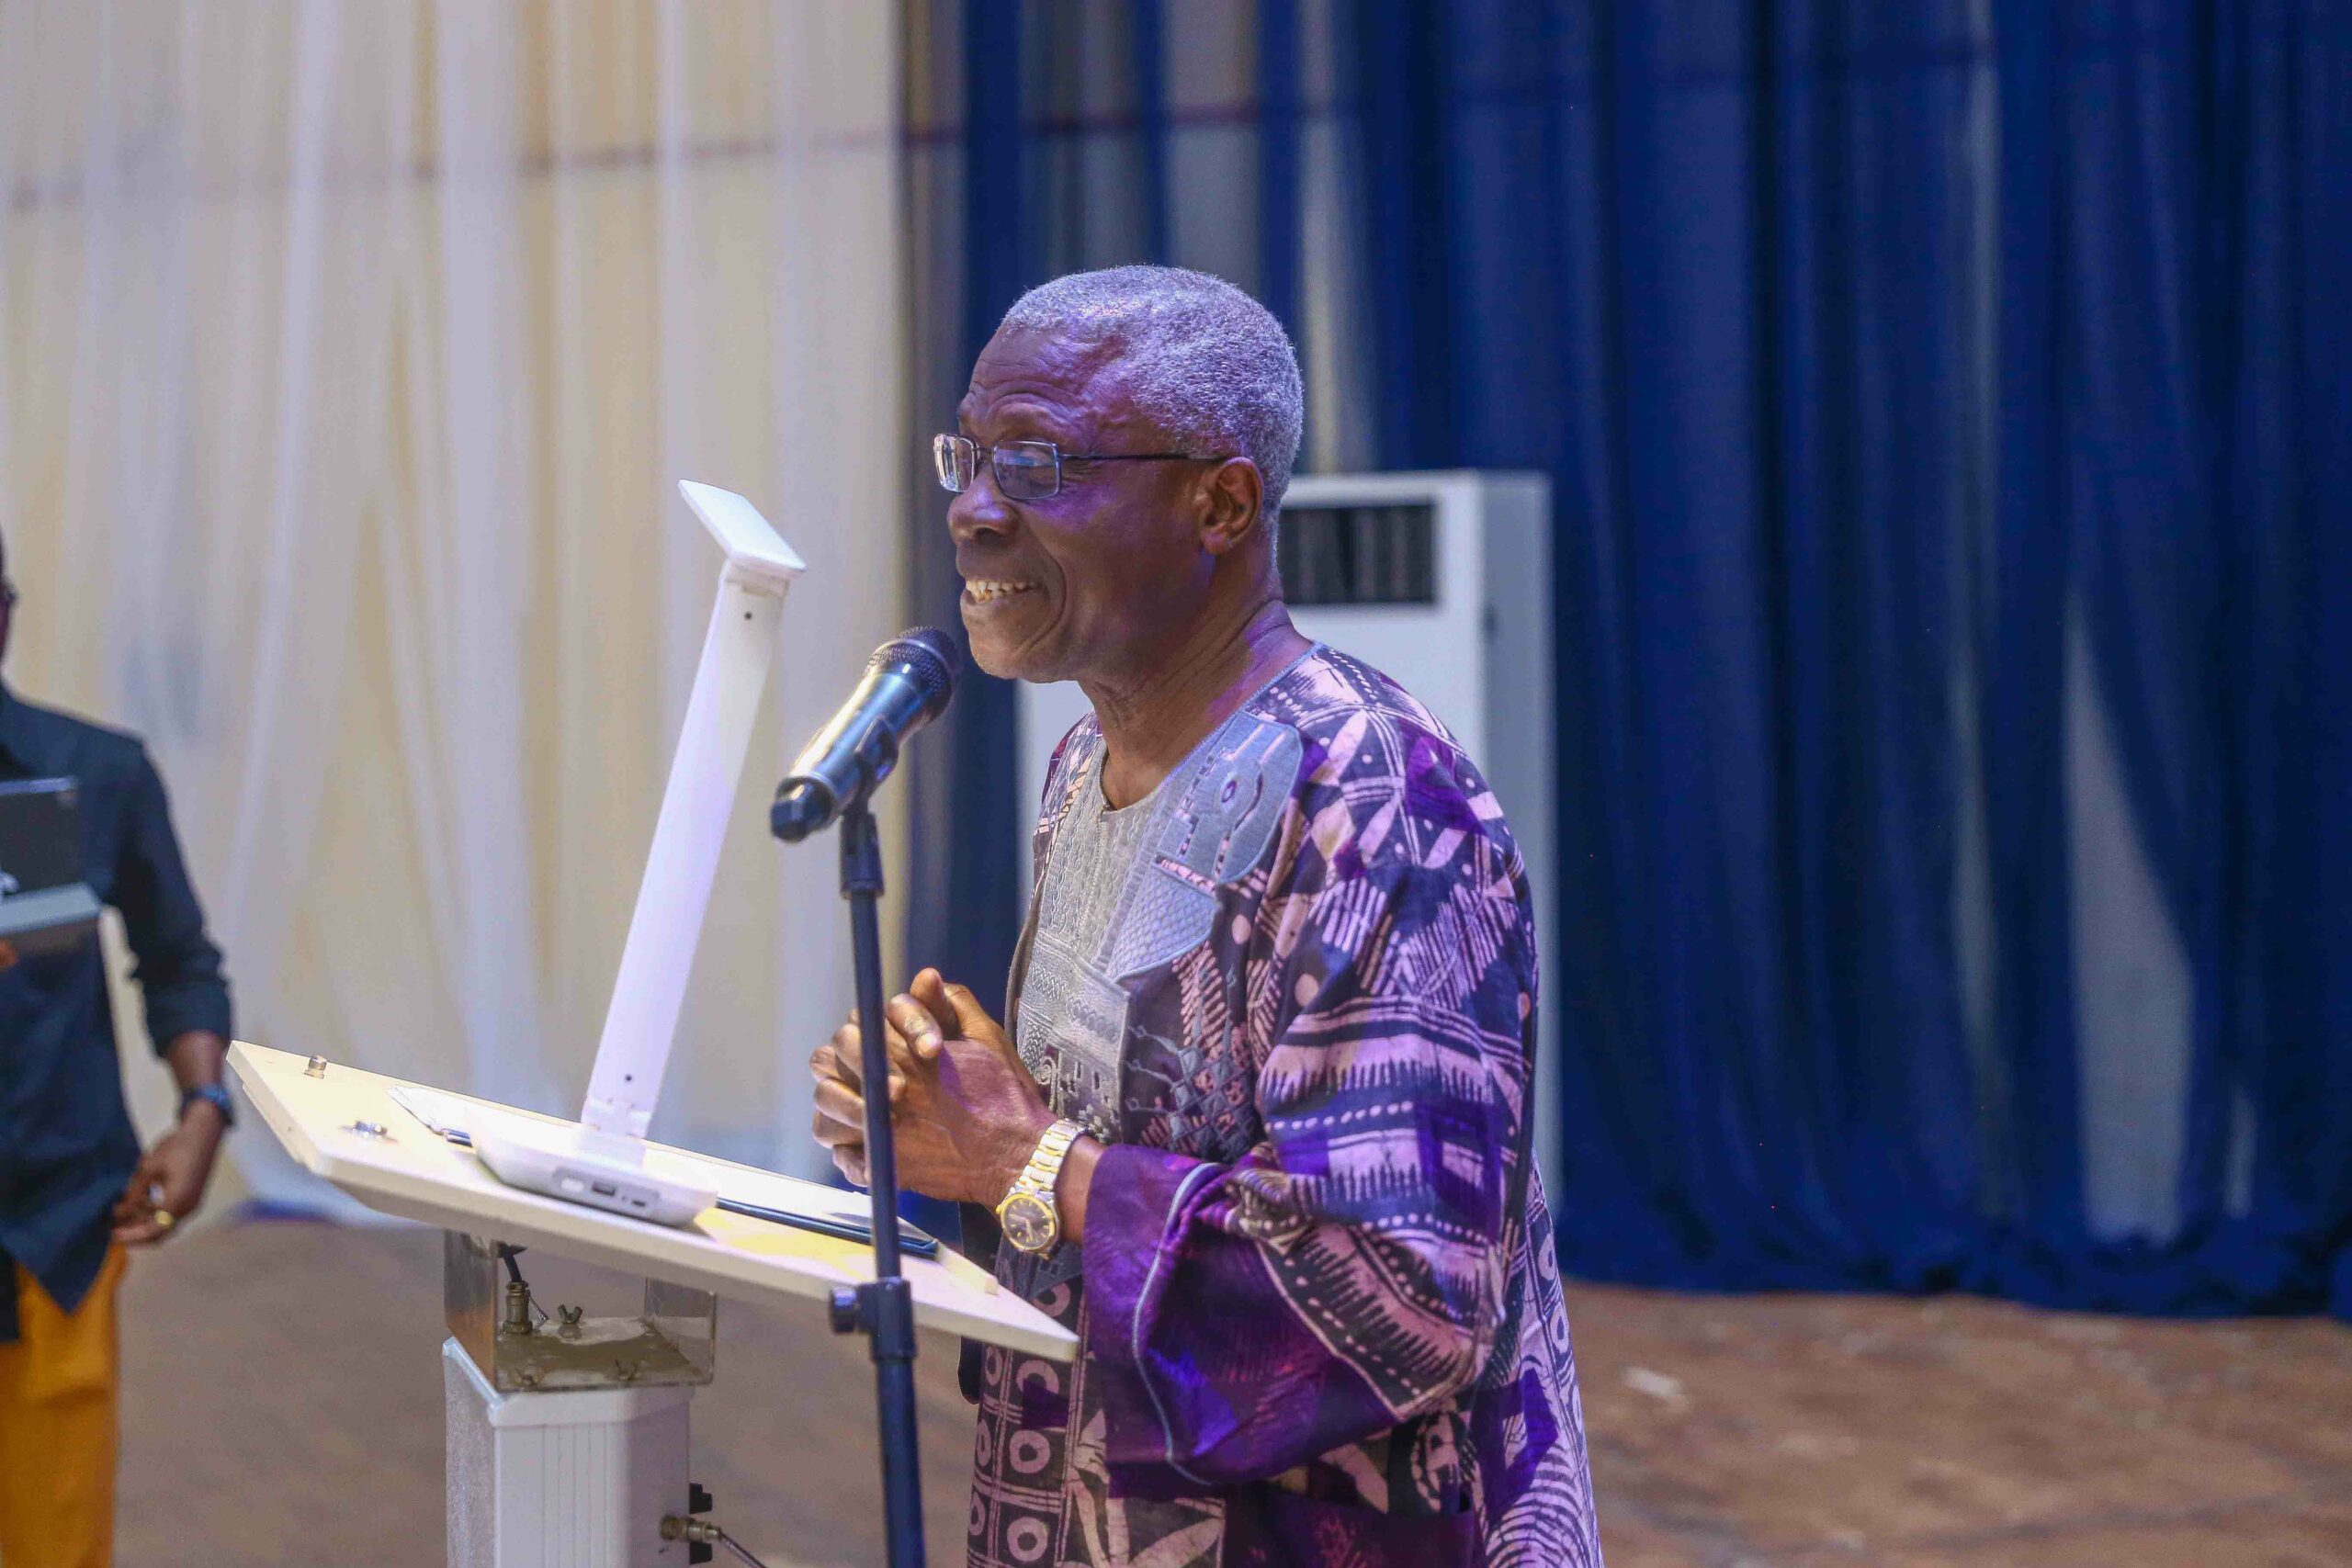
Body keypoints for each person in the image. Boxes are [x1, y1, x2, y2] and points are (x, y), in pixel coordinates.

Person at [810, 266, 1601, 1567]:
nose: (971, 509)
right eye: (970, 453)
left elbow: (1407, 1297)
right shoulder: (1084, 770)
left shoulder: (1375, 798)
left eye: (1040, 461)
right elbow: (1081, 1156)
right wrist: (941, 1127)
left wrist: (1025, 1160)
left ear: (1221, 500)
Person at [0, 528, 236, 1568]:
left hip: (51, 1229)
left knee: (50, 1535)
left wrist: (202, 1113)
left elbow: (181, 959)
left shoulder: (97, 776)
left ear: (4, 612)